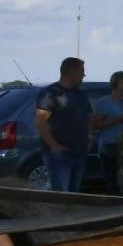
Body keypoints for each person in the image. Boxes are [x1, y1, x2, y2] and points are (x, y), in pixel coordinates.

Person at [35, 57, 93, 193]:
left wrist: (89, 137)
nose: (84, 75)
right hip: (60, 154)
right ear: (71, 72)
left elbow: (89, 117)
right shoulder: (50, 94)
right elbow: (40, 120)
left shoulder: (81, 95)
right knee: (61, 192)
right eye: (82, 72)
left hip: (79, 151)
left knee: (74, 192)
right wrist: (53, 145)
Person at [92, 71, 123, 196]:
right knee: (113, 184)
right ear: (120, 84)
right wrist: (117, 120)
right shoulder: (104, 102)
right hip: (110, 147)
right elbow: (96, 124)